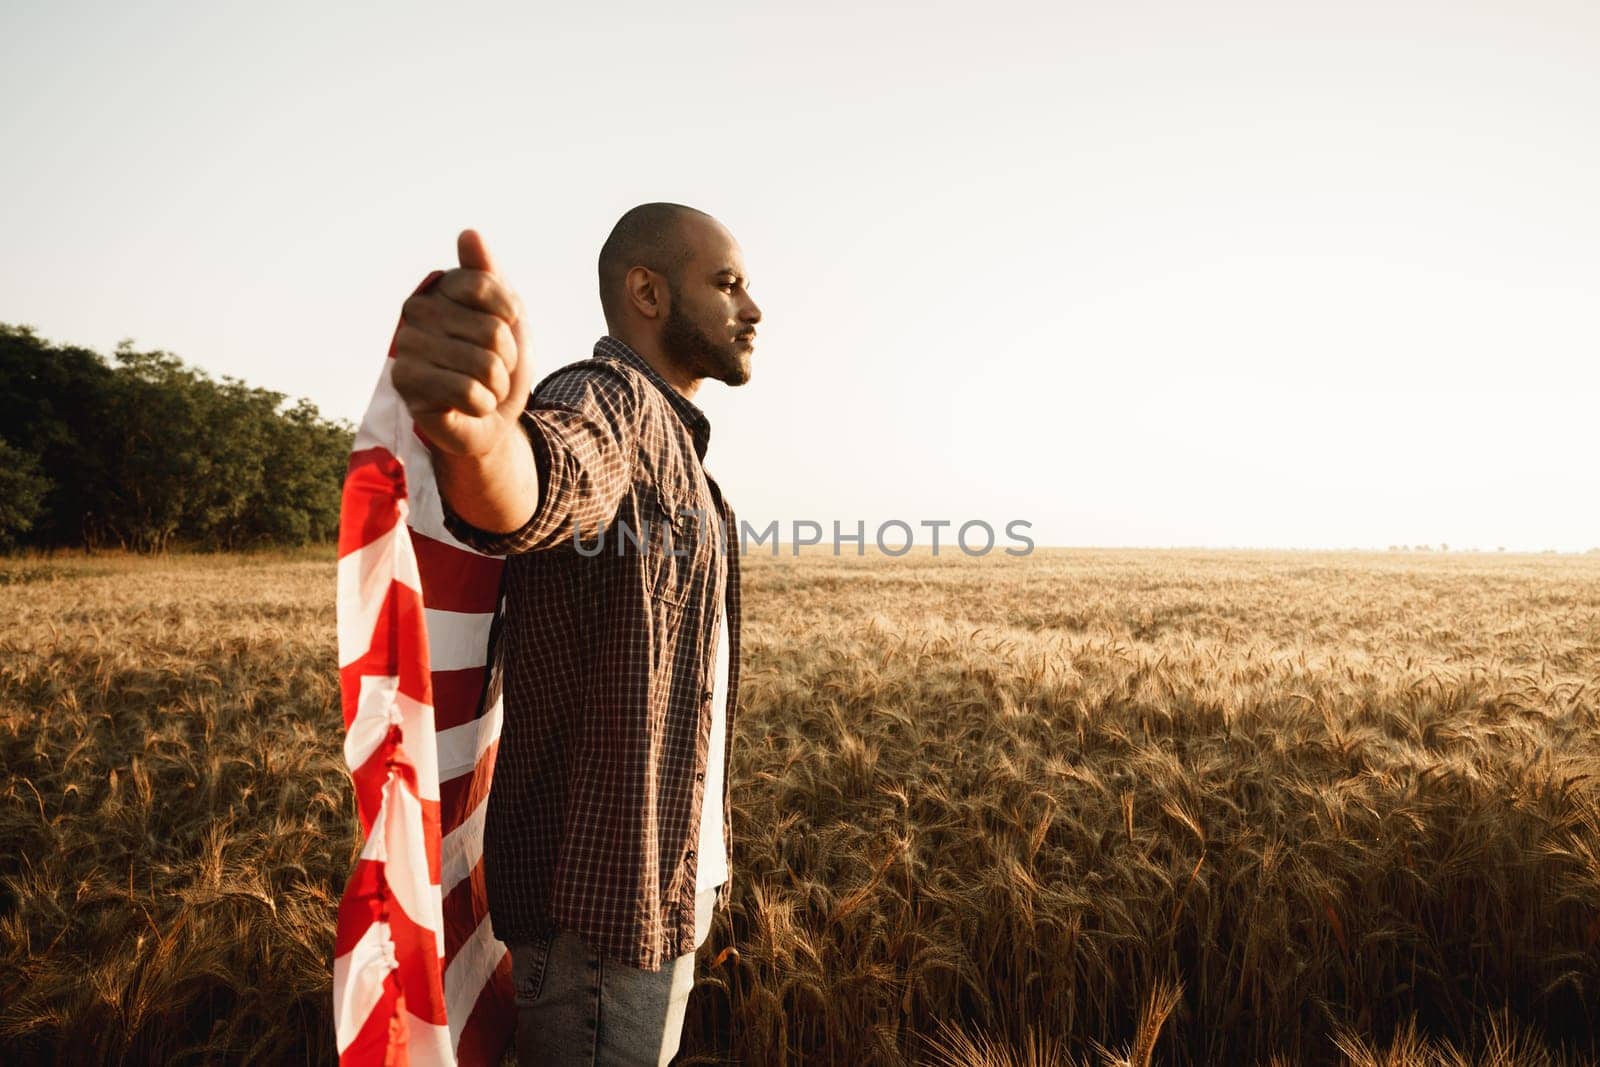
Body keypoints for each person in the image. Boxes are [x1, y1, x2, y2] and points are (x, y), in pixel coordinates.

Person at [390, 203, 761, 1065]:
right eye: (728, 283)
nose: (753, 307)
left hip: (662, 887)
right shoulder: (606, 401)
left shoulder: (689, 464)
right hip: (600, 911)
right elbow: (547, 478)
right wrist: (481, 443)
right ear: (648, 291)